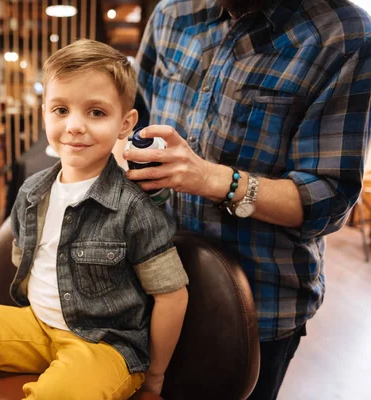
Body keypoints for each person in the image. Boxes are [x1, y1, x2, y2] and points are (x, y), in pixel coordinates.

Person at [0, 39, 189, 400]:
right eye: (61, 110)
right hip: (37, 325)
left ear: (126, 123)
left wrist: (155, 377)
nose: (74, 126)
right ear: (44, 112)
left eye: (96, 112)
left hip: (105, 346)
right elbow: (22, 261)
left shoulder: (134, 207)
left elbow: (172, 296)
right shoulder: (32, 192)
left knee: (56, 393)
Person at [123, 0, 371, 399]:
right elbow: (134, 118)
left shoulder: (342, 35)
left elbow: (328, 199)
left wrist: (213, 179)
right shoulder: (173, 14)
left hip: (257, 306)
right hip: (150, 286)